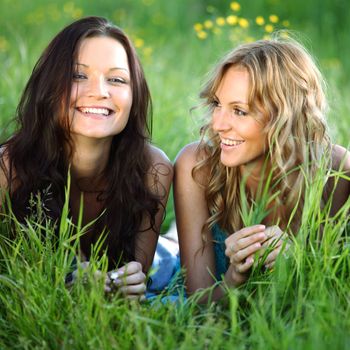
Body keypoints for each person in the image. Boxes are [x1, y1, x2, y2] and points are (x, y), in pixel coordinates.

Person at [0, 16, 172, 300]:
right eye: (78, 76)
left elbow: (139, 276)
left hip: (164, 261)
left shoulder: (153, 168)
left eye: (116, 79)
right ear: (49, 87)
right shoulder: (8, 168)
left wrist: (129, 285)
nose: (99, 92)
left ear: (134, 94)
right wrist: (64, 286)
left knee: (169, 255)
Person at [174, 37, 350, 301]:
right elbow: (199, 305)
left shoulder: (335, 173)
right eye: (217, 104)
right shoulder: (198, 165)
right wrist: (235, 276)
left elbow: (334, 296)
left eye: (240, 111)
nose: (218, 124)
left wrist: (298, 263)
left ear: (286, 117)